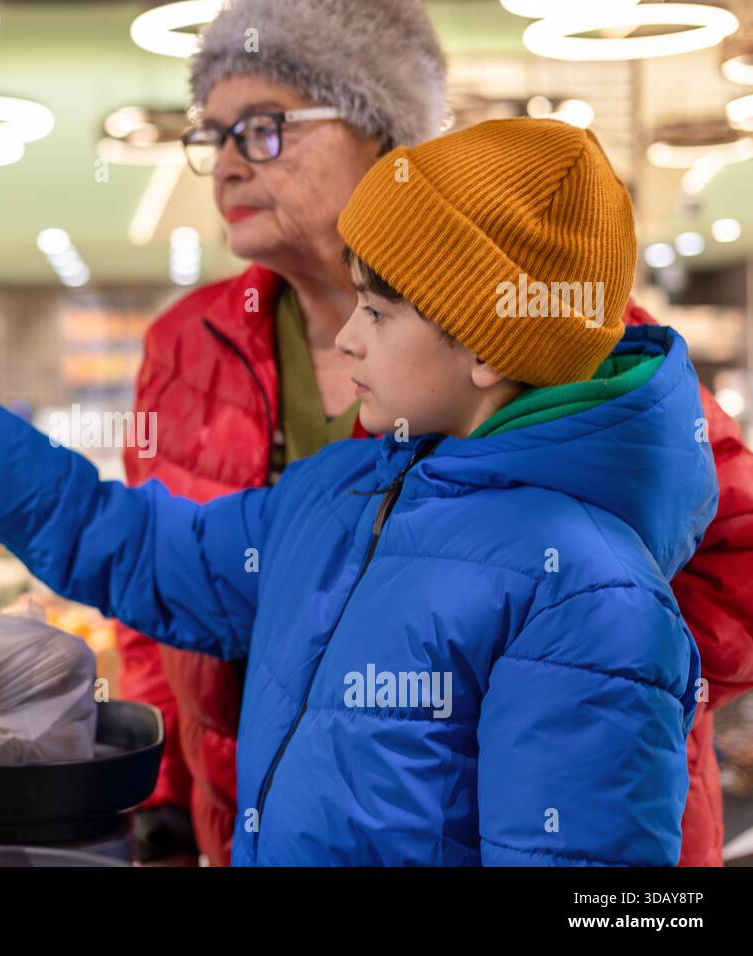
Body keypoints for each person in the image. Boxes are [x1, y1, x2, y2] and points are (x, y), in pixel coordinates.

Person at [0, 117, 717, 865]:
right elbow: (141, 547)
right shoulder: (336, 496)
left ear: (486, 346)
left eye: (379, 310)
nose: (349, 341)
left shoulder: (590, 596)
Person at [123, 0, 753, 866]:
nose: (225, 165)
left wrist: (573, 670)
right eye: (214, 134)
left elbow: (732, 566)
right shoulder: (186, 346)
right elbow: (163, 572)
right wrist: (160, 798)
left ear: (387, 137)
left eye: (264, 129)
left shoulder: (562, 331)